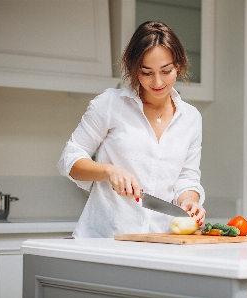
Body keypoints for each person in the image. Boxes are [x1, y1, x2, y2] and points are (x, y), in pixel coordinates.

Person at [58, 21, 206, 238]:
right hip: (104, 239)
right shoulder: (110, 104)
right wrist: (110, 171)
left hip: (159, 242)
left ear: (179, 66)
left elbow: (187, 178)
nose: (157, 82)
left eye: (166, 71)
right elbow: (69, 160)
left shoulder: (191, 118)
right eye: (147, 73)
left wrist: (190, 202)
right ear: (134, 69)